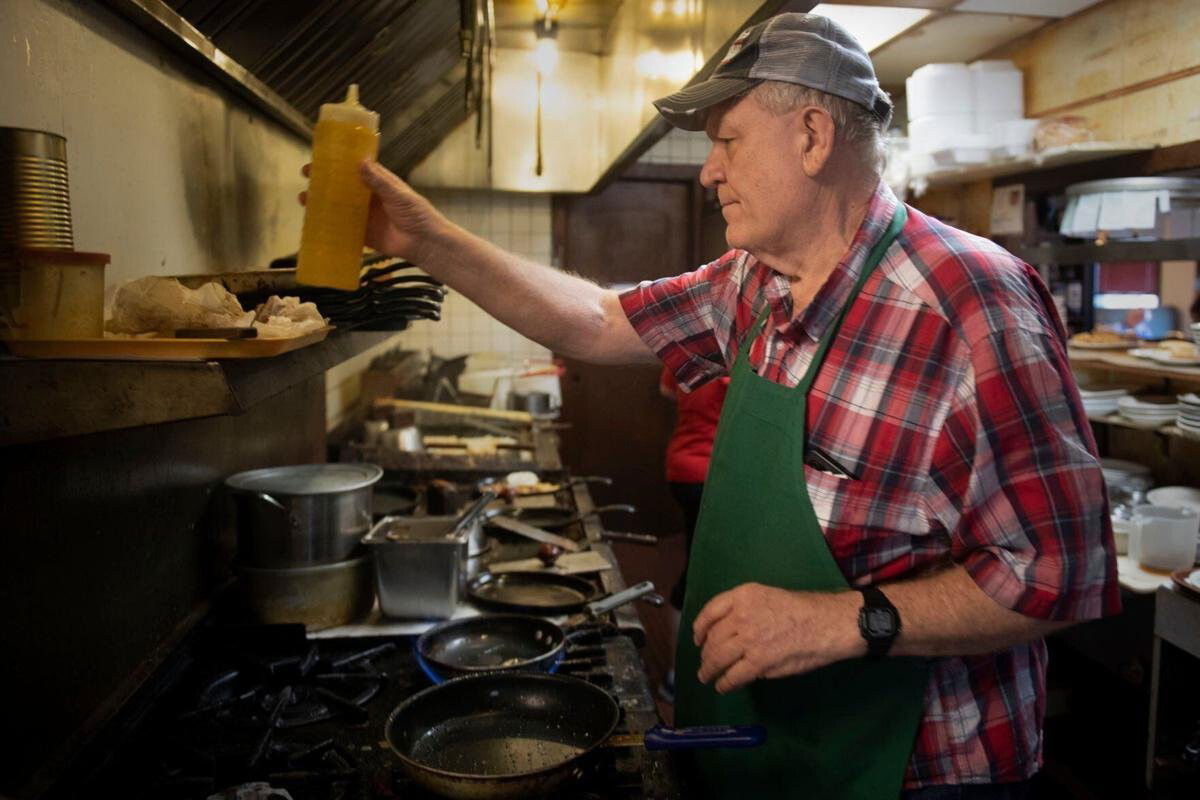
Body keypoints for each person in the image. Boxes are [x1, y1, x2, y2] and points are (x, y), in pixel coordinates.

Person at [307, 13, 1119, 798]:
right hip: (767, 747)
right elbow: (593, 320)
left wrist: (845, 621)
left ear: (810, 135)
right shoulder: (752, 284)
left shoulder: (972, 301)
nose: (708, 170)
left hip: (920, 771)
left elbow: (1059, 572)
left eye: (726, 141)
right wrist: (426, 240)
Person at [659, 365, 729, 703]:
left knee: (695, 564)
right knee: (699, 575)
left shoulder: (685, 353)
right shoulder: (737, 362)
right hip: (712, 475)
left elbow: (667, 390)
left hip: (681, 468)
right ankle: (679, 678)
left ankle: (679, 674)